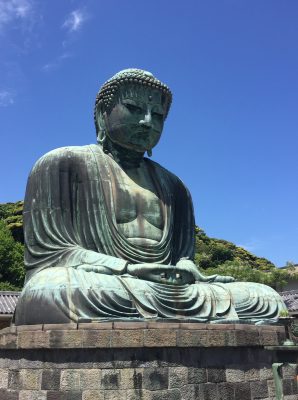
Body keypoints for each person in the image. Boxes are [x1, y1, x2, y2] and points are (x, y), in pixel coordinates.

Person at [14, 69, 286, 324]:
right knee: (49, 289)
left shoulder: (175, 186)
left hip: (166, 288)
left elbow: (183, 256)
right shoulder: (62, 164)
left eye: (157, 116)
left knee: (265, 298)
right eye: (134, 109)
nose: (147, 122)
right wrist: (127, 269)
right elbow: (52, 255)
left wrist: (186, 267)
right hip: (103, 282)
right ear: (101, 114)